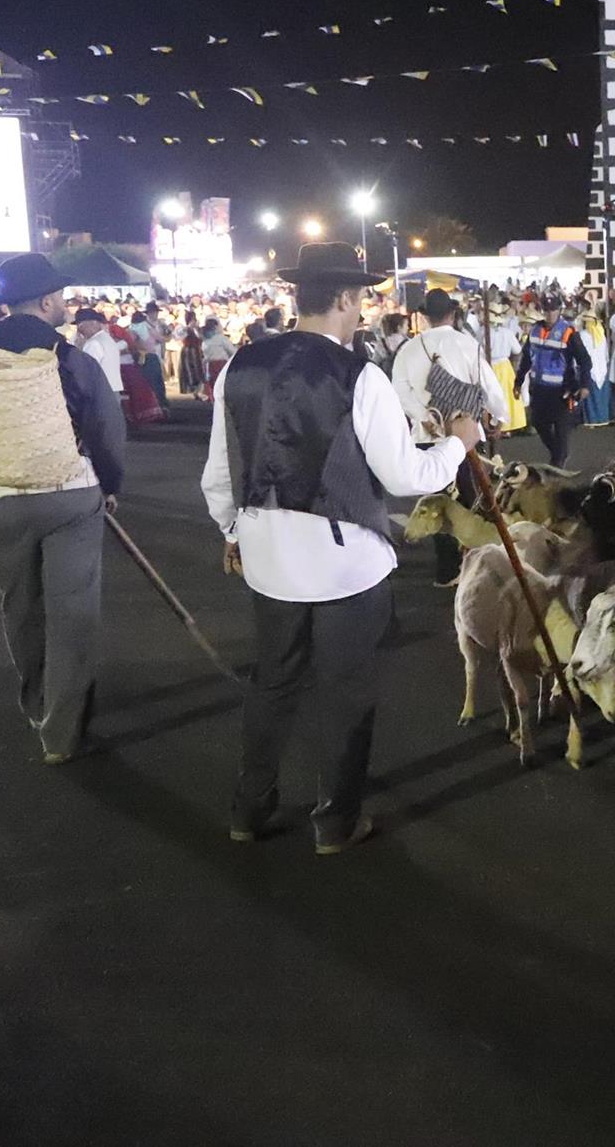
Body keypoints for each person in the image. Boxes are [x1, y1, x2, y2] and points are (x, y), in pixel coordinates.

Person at [202, 243, 481, 854]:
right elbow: (408, 475)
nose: (363, 312)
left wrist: (232, 532)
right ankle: (335, 819)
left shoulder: (239, 367)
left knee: (272, 684)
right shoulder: (360, 376)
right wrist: (459, 443)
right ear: (348, 298)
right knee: (345, 693)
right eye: (362, 300)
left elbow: (221, 473)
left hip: (268, 555)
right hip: (345, 563)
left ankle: (248, 809)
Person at [0, 254, 126, 762]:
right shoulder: (68, 357)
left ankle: (37, 702)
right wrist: (110, 481)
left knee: (22, 609)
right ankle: (61, 732)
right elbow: (105, 427)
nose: (64, 303)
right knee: (72, 613)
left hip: (2, 501)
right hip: (69, 495)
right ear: (45, 300)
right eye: (59, 296)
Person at [392, 288, 509, 584]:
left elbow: (399, 391)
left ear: (424, 316)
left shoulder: (408, 349)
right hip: (466, 431)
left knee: (434, 504)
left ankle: (447, 569)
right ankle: (478, 565)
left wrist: (426, 417)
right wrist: (500, 416)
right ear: (453, 313)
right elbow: (488, 385)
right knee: (471, 499)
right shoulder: (466, 344)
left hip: (426, 435)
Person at [516, 296, 593, 464]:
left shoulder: (568, 332)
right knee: (538, 422)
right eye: (547, 310)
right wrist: (518, 380)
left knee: (561, 430)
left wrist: (585, 385)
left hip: (562, 391)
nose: (550, 314)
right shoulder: (535, 331)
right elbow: (527, 359)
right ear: (542, 311)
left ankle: (558, 463)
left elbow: (584, 361)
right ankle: (559, 454)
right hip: (540, 389)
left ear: (559, 311)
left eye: (553, 310)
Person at [576, 300, 613, 427]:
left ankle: (591, 419)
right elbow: (606, 355)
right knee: (602, 395)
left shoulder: (582, 335)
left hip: (588, 369)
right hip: (602, 368)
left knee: (590, 396)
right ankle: (603, 417)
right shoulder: (601, 335)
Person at [74, 308, 124, 401]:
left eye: (81, 325)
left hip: (101, 392)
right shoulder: (107, 339)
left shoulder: (93, 343)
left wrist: (78, 348)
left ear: (93, 323)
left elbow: (87, 369)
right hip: (113, 388)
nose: (79, 329)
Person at [199, 318, 235, 400]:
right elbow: (232, 351)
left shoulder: (205, 339)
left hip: (208, 364)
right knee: (221, 382)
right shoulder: (221, 338)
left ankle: (213, 399)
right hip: (221, 363)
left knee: (212, 383)